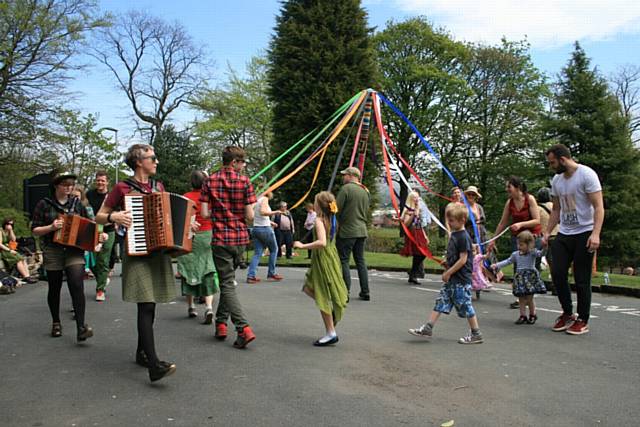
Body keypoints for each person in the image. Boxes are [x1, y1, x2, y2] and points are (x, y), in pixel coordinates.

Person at [96, 144, 177, 382]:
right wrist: (114, 216)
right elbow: (99, 215)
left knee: (151, 305)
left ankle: (142, 353)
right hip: (137, 250)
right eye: (153, 157)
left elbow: (169, 218)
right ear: (139, 161)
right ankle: (154, 364)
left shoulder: (158, 187)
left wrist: (185, 228)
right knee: (146, 305)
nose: (156, 162)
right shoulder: (122, 188)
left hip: (157, 251)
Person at [543, 144, 604, 336]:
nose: (551, 166)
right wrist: (547, 232)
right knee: (558, 273)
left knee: (581, 278)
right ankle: (567, 313)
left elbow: (599, 207)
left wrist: (595, 234)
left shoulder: (587, 175)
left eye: (552, 162)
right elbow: (556, 209)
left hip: (585, 231)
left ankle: (583, 319)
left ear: (562, 159)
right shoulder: (557, 180)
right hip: (565, 233)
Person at [200, 146, 257, 349]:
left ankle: (243, 328)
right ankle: (221, 323)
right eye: (242, 163)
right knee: (228, 282)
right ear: (234, 162)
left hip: (221, 239)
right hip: (240, 239)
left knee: (226, 283)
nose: (243, 167)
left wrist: (220, 213)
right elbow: (250, 216)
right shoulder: (245, 182)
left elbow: (205, 214)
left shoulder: (210, 181)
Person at [31, 171, 94, 343]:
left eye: (71, 185)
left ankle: (81, 326)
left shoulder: (77, 204)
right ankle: (56, 322)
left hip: (74, 250)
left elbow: (90, 225)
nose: (69, 188)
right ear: (56, 186)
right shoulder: (44, 204)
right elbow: (34, 230)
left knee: (76, 283)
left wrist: (99, 236)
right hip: (53, 249)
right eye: (65, 185)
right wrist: (51, 227)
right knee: (55, 286)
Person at [408, 203, 483, 344]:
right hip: (453, 279)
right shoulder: (455, 235)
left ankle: (476, 333)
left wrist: (448, 272)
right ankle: (428, 327)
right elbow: (454, 256)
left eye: (452, 220)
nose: (449, 223)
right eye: (448, 220)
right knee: (441, 301)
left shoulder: (463, 237)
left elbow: (463, 260)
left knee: (466, 305)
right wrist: (446, 261)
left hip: (460, 279)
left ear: (462, 220)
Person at [293, 191, 348, 346]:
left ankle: (331, 331)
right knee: (309, 288)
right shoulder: (331, 219)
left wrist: (302, 245)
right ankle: (330, 319)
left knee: (321, 293)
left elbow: (322, 242)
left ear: (319, 205)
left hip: (324, 258)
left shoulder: (319, 220)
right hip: (330, 256)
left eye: (316, 202)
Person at [489, 176, 541, 309]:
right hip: (518, 238)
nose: (507, 190)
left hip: (531, 238)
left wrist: (520, 224)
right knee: (517, 266)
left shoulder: (530, 199)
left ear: (517, 188)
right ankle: (521, 297)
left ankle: (530, 294)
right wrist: (494, 239)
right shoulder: (510, 202)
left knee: (530, 266)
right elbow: (503, 222)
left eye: (509, 187)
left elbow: (537, 220)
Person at [178, 171, 219, 324]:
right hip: (207, 234)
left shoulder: (185, 197)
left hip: (189, 236)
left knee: (189, 269)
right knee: (208, 268)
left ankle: (191, 306)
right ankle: (208, 307)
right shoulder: (210, 197)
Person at [492, 231, 547, 324]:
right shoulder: (515, 254)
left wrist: (545, 247)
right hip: (520, 278)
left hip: (530, 278)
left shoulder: (532, 253)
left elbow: (541, 254)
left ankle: (533, 314)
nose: (519, 247)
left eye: (521, 245)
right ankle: (522, 315)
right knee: (521, 298)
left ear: (529, 244)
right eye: (518, 244)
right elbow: (508, 261)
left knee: (529, 298)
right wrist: (497, 265)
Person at [335, 166, 371, 301]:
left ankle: (345, 291)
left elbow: (336, 209)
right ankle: (365, 291)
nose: (343, 177)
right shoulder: (365, 190)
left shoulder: (346, 189)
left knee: (344, 260)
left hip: (347, 230)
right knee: (360, 260)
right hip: (362, 229)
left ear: (351, 175)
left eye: (345, 175)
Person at [87, 170, 116, 302]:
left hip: (108, 230)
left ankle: (100, 290)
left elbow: (116, 213)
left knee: (103, 260)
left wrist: (109, 221)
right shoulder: (89, 194)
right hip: (92, 230)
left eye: (102, 180)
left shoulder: (111, 196)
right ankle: (102, 279)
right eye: (98, 180)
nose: (100, 182)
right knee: (92, 261)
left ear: (107, 182)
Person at [247, 191, 282, 283]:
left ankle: (251, 276)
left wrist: (271, 222)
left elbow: (254, 216)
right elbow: (263, 212)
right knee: (274, 249)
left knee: (257, 253)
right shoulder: (265, 199)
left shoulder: (256, 201)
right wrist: (276, 212)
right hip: (265, 229)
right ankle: (271, 274)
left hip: (255, 229)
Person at [399, 189, 431, 284]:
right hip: (412, 233)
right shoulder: (407, 210)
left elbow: (420, 223)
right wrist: (412, 215)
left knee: (422, 253)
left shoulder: (419, 209)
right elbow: (406, 223)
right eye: (415, 198)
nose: (417, 200)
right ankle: (413, 275)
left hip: (419, 232)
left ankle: (413, 273)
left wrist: (425, 235)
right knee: (418, 253)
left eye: (417, 197)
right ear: (411, 199)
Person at [1, 219, 38, 284]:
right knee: (18, 260)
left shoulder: (9, 231)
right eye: (8, 224)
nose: (9, 226)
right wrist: (9, 250)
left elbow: (13, 240)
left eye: (11, 224)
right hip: (4, 250)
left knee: (22, 258)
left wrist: (11, 230)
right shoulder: (1, 231)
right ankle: (26, 277)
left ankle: (27, 276)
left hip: (10, 249)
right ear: (5, 224)